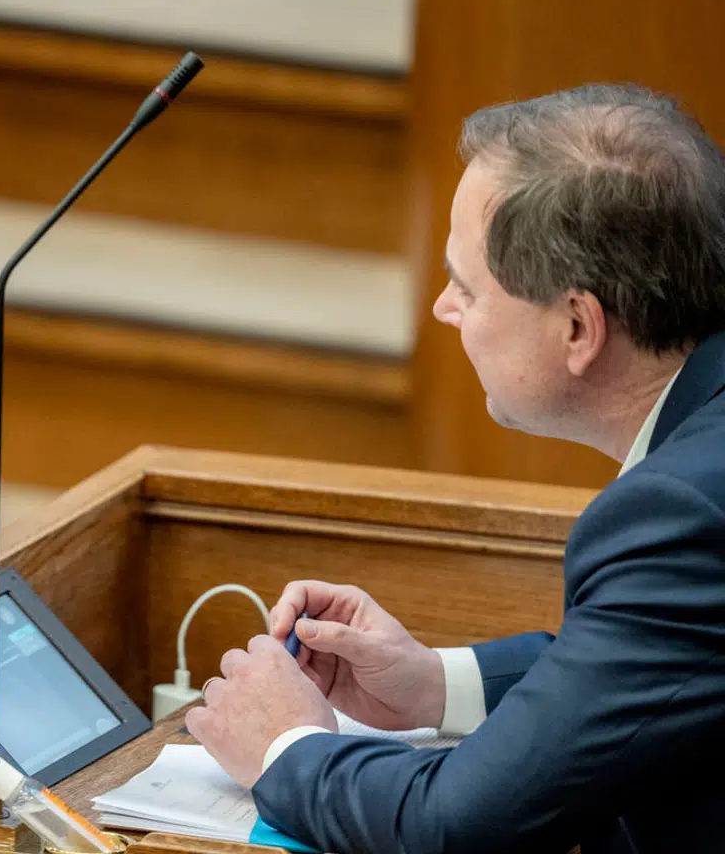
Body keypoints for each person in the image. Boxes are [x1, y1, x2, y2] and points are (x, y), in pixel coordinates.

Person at [185, 84, 725, 853]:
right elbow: (662, 662)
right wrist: (434, 684)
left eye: (466, 288)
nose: (444, 309)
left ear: (578, 326)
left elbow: (453, 828)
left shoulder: (682, 513)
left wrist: (287, 747)